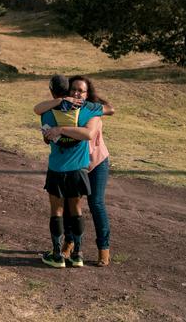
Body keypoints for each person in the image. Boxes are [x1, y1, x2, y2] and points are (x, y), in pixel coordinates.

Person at [37, 76, 115, 267]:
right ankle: (69, 246)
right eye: (73, 89)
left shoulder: (91, 112)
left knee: (96, 203)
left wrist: (59, 129)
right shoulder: (66, 109)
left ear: (87, 94)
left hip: (95, 163)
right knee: (69, 206)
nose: (76, 93)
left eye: (81, 90)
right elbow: (41, 114)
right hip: (75, 166)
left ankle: (103, 249)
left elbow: (88, 132)